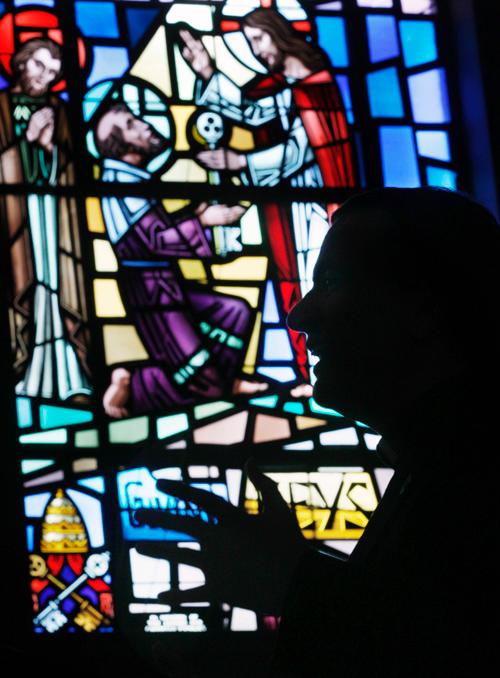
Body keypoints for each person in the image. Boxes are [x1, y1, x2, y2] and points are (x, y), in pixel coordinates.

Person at [136, 187, 500, 676]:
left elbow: (445, 649)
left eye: (330, 283)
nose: (298, 315)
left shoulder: (480, 475)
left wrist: (292, 582)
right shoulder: (436, 456)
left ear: (423, 310)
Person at [180, 8, 356, 381]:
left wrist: (239, 161)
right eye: (249, 42)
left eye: (258, 39)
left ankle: (332, 372)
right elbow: (253, 111)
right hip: (296, 203)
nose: (255, 50)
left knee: (317, 276)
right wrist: (208, 73)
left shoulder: (315, 86)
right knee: (298, 276)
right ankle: (311, 373)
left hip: (316, 202)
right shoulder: (292, 89)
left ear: (277, 34)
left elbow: (295, 153)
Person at [93, 102, 267, 417]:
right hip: (150, 290)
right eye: (133, 124)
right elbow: (154, 240)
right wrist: (204, 222)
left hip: (166, 281)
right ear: (121, 145)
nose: (144, 124)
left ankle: (225, 383)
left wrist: (202, 216)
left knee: (235, 312)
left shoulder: (133, 177)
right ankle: (133, 384)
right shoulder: (121, 182)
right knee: (202, 383)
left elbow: (159, 233)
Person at [0, 38, 91, 400]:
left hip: (51, 216)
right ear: (20, 63)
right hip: (16, 218)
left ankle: (65, 371)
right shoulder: (2, 106)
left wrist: (49, 147)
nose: (45, 78)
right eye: (39, 66)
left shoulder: (60, 109)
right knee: (25, 282)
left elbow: (69, 171)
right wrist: (27, 140)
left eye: (53, 72)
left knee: (55, 284)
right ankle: (28, 365)